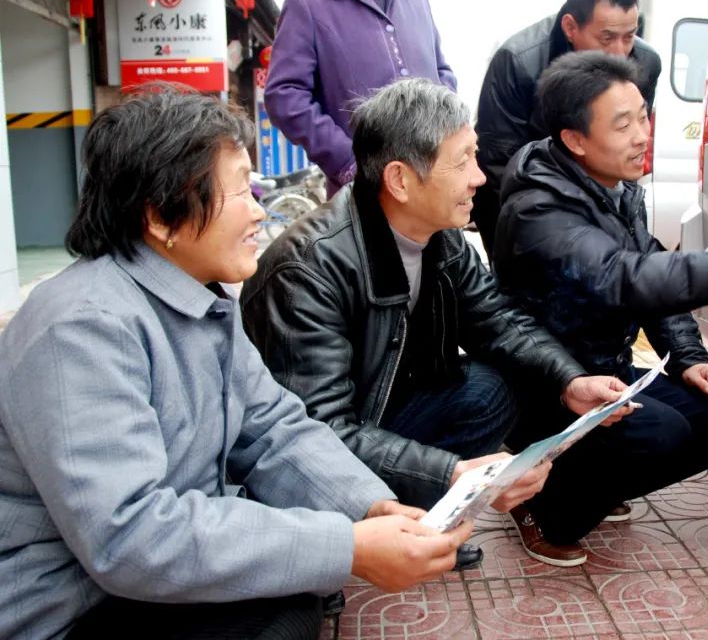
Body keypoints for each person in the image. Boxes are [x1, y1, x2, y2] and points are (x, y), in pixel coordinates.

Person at [0, 87, 474, 640]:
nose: (257, 211)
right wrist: (345, 547)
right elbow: (127, 535)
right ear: (160, 216)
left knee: (297, 595)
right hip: (69, 605)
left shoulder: (200, 299)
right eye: (238, 192)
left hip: (127, 582)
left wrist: (369, 510)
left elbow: (275, 429)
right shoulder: (81, 327)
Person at [241, 78, 629, 570]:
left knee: (493, 386)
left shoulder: (442, 239)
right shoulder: (309, 268)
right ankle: (356, 537)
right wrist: (452, 472)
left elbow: (497, 320)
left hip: (378, 410)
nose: (479, 178)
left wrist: (569, 378)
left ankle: (421, 525)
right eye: (462, 160)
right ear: (401, 180)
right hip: (319, 443)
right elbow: (317, 432)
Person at [492, 51, 708, 565]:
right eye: (623, 124)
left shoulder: (616, 185)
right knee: (662, 434)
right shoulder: (539, 208)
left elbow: (650, 264)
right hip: (547, 381)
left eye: (643, 116)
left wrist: (690, 355)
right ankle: (544, 507)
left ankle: (585, 478)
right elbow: (624, 279)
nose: (641, 134)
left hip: (606, 369)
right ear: (576, 140)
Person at [265, 0, 454, 197]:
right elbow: (285, 97)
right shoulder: (308, 6)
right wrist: (348, 161)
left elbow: (443, 73)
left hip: (430, 181)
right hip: (363, 191)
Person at [472, 0, 662, 255]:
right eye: (607, 37)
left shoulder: (645, 61)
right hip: (525, 209)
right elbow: (498, 163)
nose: (620, 52)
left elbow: (626, 150)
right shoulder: (517, 61)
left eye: (629, 37)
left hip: (603, 201)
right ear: (570, 27)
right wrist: (547, 225)